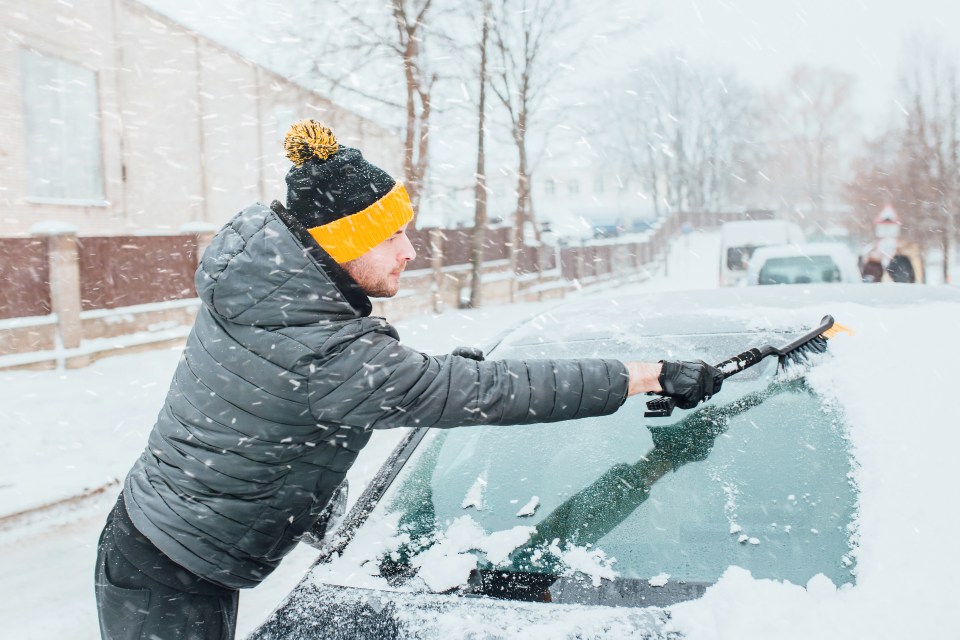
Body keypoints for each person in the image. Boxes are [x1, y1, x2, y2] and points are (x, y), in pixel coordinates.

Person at [94, 120, 723, 640]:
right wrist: (650, 374)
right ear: (344, 243)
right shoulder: (323, 348)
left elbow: (298, 401)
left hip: (161, 545)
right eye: (392, 233)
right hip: (168, 572)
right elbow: (483, 395)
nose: (409, 250)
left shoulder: (270, 291)